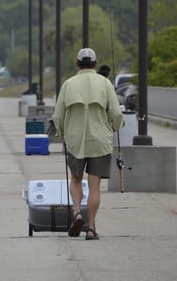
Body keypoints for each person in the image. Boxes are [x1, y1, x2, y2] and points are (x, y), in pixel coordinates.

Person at [50, 48, 123, 240]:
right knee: (95, 186)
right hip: (100, 141)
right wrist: (114, 128)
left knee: (75, 179)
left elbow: (58, 116)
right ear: (95, 64)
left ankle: (77, 213)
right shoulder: (105, 83)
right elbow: (116, 114)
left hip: (75, 141)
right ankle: (91, 228)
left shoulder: (68, 84)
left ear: (77, 63)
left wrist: (63, 134)